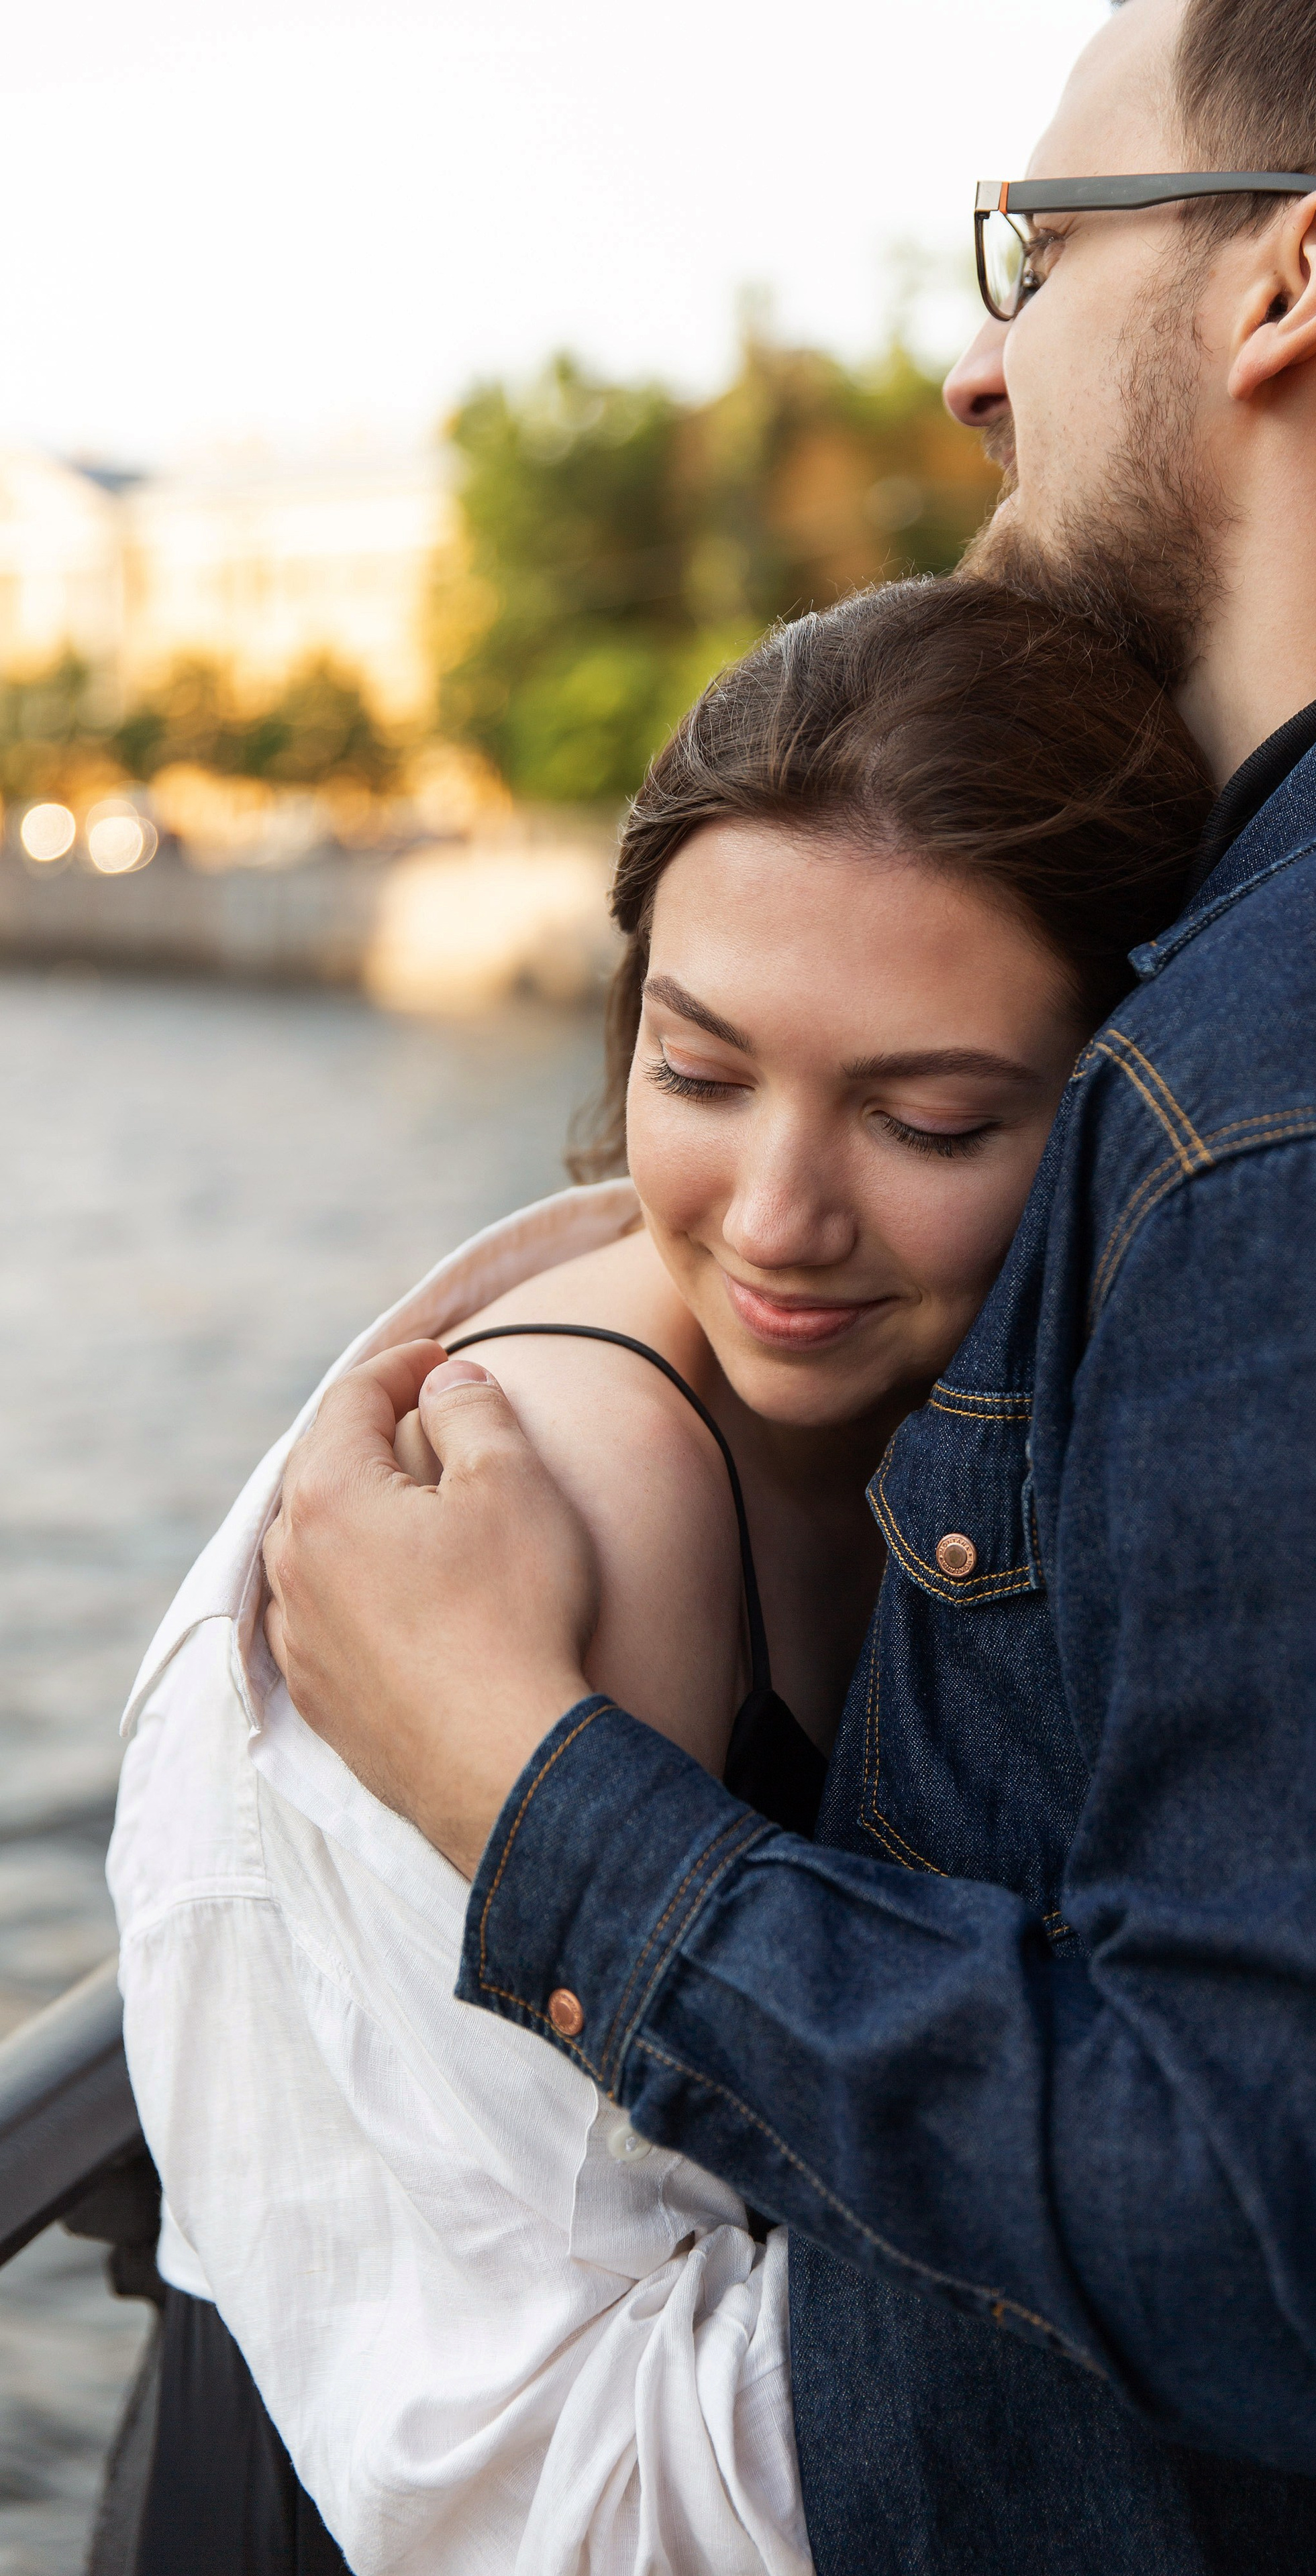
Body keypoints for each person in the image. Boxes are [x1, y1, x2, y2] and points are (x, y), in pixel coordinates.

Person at [261, 0, 1316, 2567]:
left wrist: (518, 1784)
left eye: (1031, 251)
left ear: (1295, 281)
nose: (971, 364)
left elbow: (1297, 2257)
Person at [109, 576, 1210, 2573]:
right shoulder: (588, 1485)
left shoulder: (945, 1426)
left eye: (927, 1117)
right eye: (698, 1077)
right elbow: (526, 2463)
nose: (780, 1219)